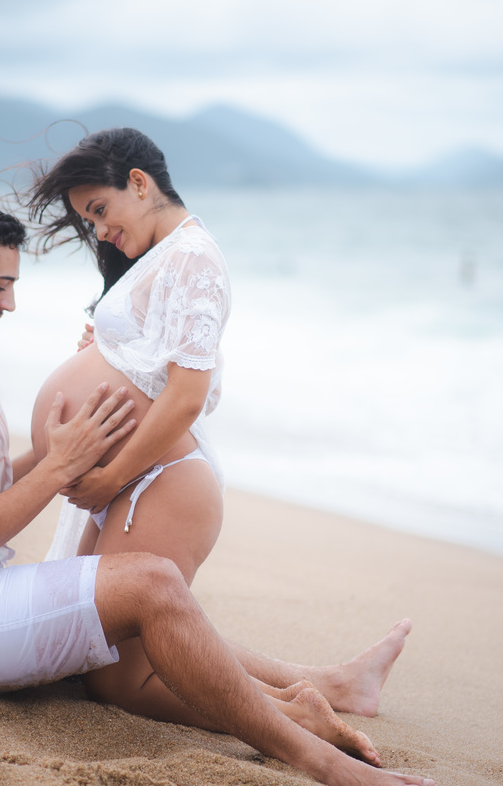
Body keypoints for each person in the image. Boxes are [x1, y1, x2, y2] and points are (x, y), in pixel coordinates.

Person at [0, 197, 433, 786]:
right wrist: (58, 469)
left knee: (137, 598)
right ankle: (317, 758)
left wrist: (63, 450)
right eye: (0, 286)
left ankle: (319, 692)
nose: (10, 304)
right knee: (151, 584)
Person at [25, 129, 412, 760]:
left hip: (154, 481)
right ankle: (333, 684)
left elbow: (185, 395)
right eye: (88, 220)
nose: (99, 231)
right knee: (112, 641)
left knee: (117, 676)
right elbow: (151, 364)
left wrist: (109, 474)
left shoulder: (194, 257)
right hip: (135, 480)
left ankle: (296, 717)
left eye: (99, 210)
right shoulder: (162, 256)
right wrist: (103, 351)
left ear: (139, 183)